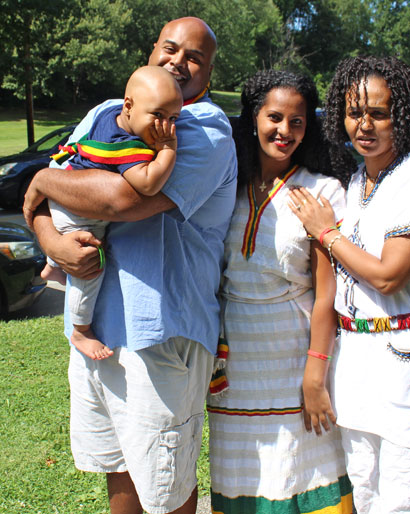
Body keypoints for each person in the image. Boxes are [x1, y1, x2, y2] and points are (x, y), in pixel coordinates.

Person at [23, 17, 237, 514]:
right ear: (153, 50)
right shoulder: (106, 112)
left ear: (208, 73)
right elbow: (61, 189)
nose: (178, 62)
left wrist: (38, 182)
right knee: (117, 468)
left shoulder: (203, 131)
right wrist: (49, 239)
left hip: (161, 333)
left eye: (194, 58)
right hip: (98, 328)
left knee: (166, 484)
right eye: (170, 49)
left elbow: (119, 199)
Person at [290, 56, 410, 513]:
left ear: (401, 115)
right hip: (357, 361)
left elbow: (388, 275)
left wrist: (325, 232)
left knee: (407, 496)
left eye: (379, 113)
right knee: (366, 490)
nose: (363, 125)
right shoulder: (356, 183)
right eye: (354, 113)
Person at [207, 70, 353, 514]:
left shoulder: (321, 191)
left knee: (303, 470)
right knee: (242, 477)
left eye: (298, 122)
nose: (284, 131)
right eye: (274, 117)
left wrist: (315, 374)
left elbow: (328, 295)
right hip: (235, 367)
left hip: (294, 356)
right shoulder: (224, 187)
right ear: (253, 119)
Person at [44, 65, 183, 360]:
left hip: (64, 197)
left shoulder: (108, 117)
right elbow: (147, 184)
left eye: (174, 119)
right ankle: (81, 330)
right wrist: (169, 150)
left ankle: (51, 265)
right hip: (81, 215)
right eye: (157, 116)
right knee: (91, 268)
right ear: (129, 107)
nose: (166, 127)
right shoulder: (125, 145)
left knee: (70, 247)